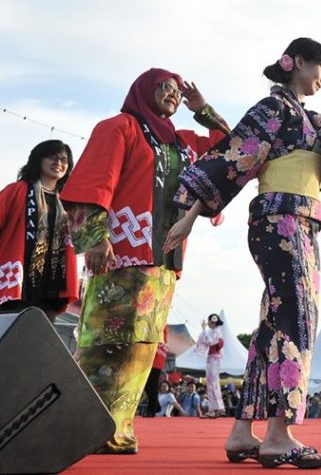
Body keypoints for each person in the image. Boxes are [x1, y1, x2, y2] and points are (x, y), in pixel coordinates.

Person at [165, 38, 321, 469]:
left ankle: (243, 431)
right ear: (296, 62)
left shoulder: (313, 119)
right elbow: (232, 159)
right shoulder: (273, 109)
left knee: (273, 323)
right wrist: (190, 215)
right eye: (320, 68)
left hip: (298, 220)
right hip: (280, 219)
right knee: (298, 315)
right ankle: (279, 434)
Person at [60, 68, 227, 454]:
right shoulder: (119, 127)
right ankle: (80, 426)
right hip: (120, 253)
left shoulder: (182, 142)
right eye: (163, 88)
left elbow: (229, 151)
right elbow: (95, 180)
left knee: (142, 347)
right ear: (143, 91)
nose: (171, 94)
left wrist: (203, 110)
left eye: (176, 91)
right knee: (104, 342)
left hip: (164, 258)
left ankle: (115, 429)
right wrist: (95, 237)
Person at [0, 140, 79, 322]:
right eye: (52, 157)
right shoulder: (17, 190)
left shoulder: (69, 202)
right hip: (15, 278)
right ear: (38, 160)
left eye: (64, 159)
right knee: (5, 335)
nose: (58, 163)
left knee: (37, 339)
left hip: (51, 282)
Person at [196, 313, 226, 418]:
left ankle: (214, 409)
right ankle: (217, 408)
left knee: (212, 383)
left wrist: (204, 329)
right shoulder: (215, 332)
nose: (208, 323)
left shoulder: (216, 332)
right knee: (213, 383)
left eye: (209, 321)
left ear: (212, 322)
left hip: (214, 358)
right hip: (212, 358)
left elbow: (208, 341)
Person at [144, 326, 169, 417]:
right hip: (148, 356)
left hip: (158, 355)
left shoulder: (162, 323)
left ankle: (151, 410)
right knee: (146, 384)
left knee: (152, 385)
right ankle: (156, 405)